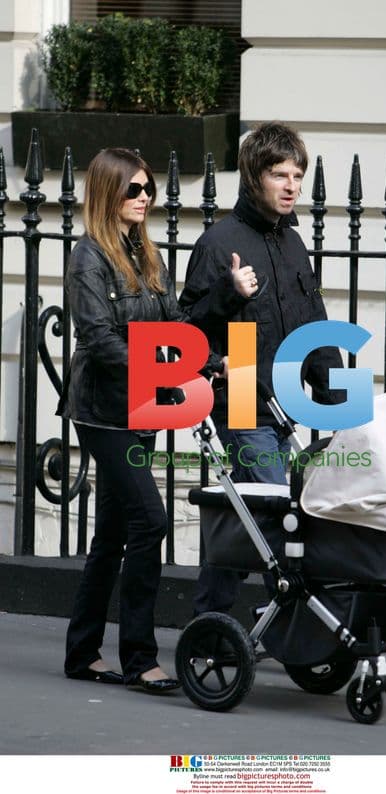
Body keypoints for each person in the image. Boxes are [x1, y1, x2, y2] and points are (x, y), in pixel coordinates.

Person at [58, 148, 221, 694]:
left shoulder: (145, 254)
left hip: (139, 408)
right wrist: (162, 373)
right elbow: (99, 340)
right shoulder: (89, 258)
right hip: (103, 412)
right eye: (133, 189)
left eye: (147, 188)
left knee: (111, 533)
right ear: (108, 194)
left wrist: (209, 359)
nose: (144, 197)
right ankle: (140, 657)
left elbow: (173, 321)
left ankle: (82, 652)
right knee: (150, 520)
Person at [179, 121, 344, 615]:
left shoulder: (293, 244)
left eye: (297, 175)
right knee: (272, 508)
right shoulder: (219, 242)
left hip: (285, 402)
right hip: (244, 401)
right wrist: (230, 293)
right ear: (254, 178)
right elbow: (186, 330)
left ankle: (222, 620)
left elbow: (315, 323)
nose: (292, 185)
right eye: (279, 174)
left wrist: (340, 404)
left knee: (261, 513)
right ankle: (262, 618)